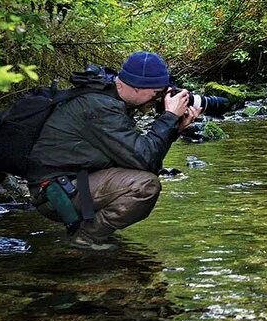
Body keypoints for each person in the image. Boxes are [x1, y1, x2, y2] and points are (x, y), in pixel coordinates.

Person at [28, 51, 200, 250]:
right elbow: (146, 159)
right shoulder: (100, 106)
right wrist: (169, 117)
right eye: (156, 93)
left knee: (140, 175)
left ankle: (84, 232)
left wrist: (175, 128)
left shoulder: (108, 95)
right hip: (56, 193)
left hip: (69, 181)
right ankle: (86, 237)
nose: (158, 99)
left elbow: (138, 157)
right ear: (137, 87)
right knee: (144, 186)